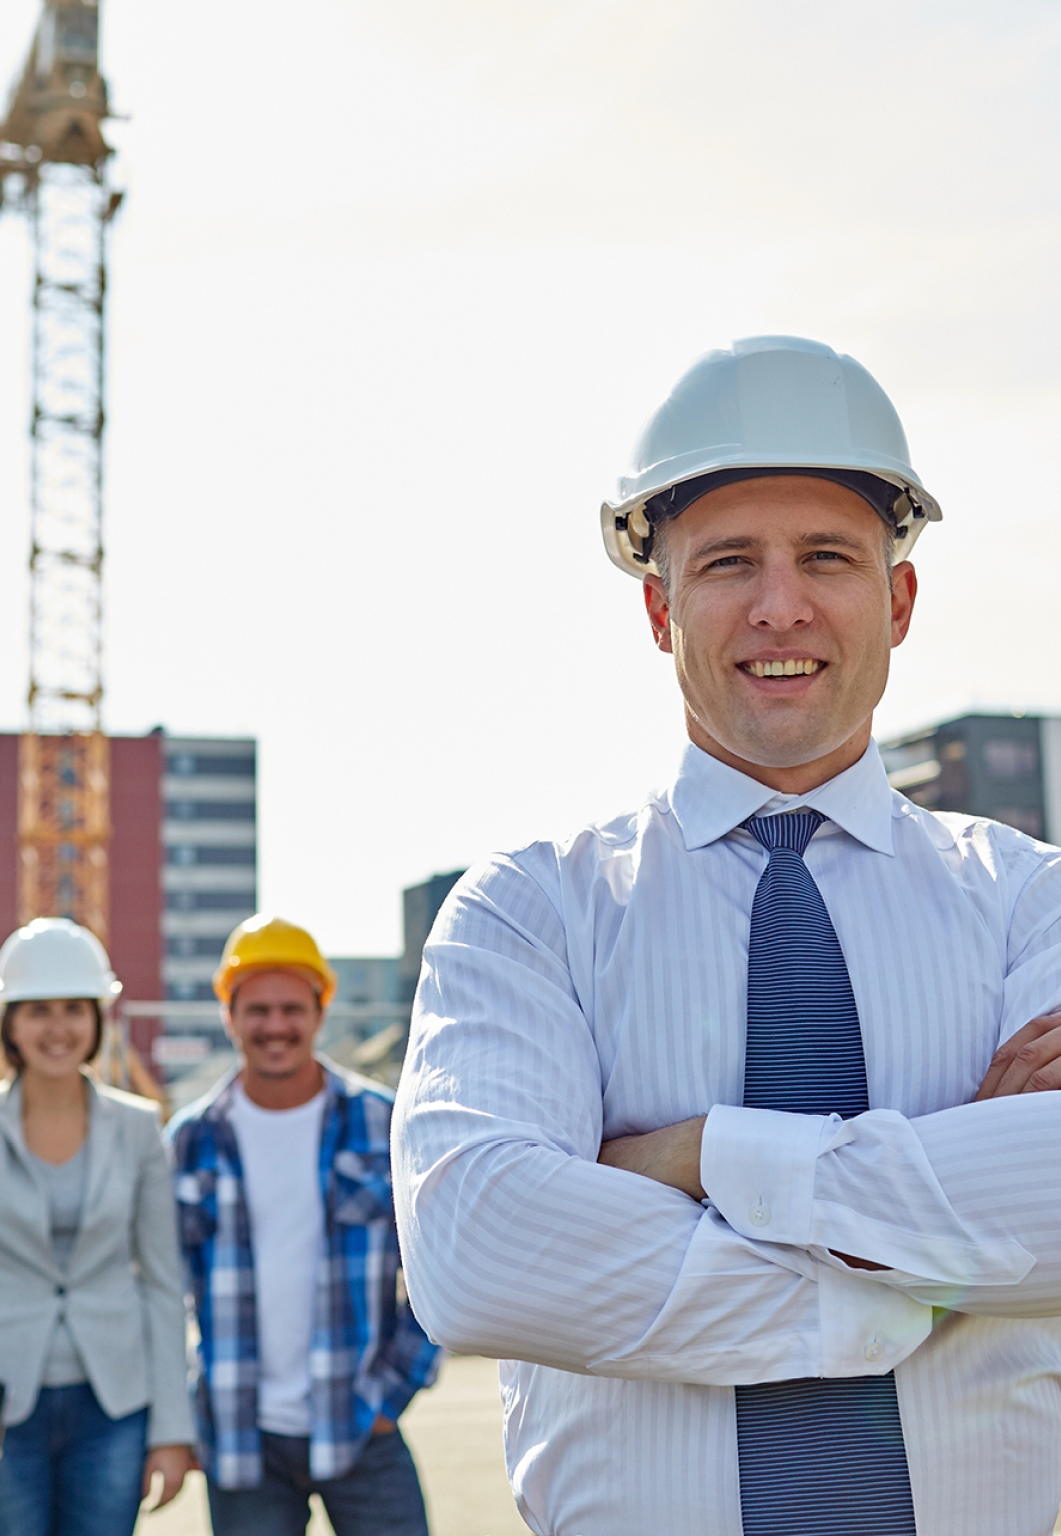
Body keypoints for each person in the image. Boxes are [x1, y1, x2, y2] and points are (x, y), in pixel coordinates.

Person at [391, 335, 1061, 1536]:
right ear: (658, 607)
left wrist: (691, 1157)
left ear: (897, 600)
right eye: (727, 564)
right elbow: (475, 1248)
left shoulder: (1032, 900)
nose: (778, 605)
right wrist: (927, 1261)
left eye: (824, 557)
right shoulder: (528, 912)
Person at [0, 918, 195, 1536]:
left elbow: (164, 1285)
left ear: (98, 1018)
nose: (58, 1028)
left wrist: (173, 1429)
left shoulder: (140, 1127)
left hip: (113, 1404)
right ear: (8, 1023)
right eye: (37, 1010)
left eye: (73, 1009)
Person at [166, 915, 439, 1536]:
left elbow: (440, 1264)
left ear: (319, 1012)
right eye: (257, 1010)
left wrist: (392, 1391)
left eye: (292, 1008)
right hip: (244, 1441)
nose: (276, 1026)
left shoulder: (385, 1125)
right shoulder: (190, 1140)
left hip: (361, 1424)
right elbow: (161, 1289)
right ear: (229, 1015)